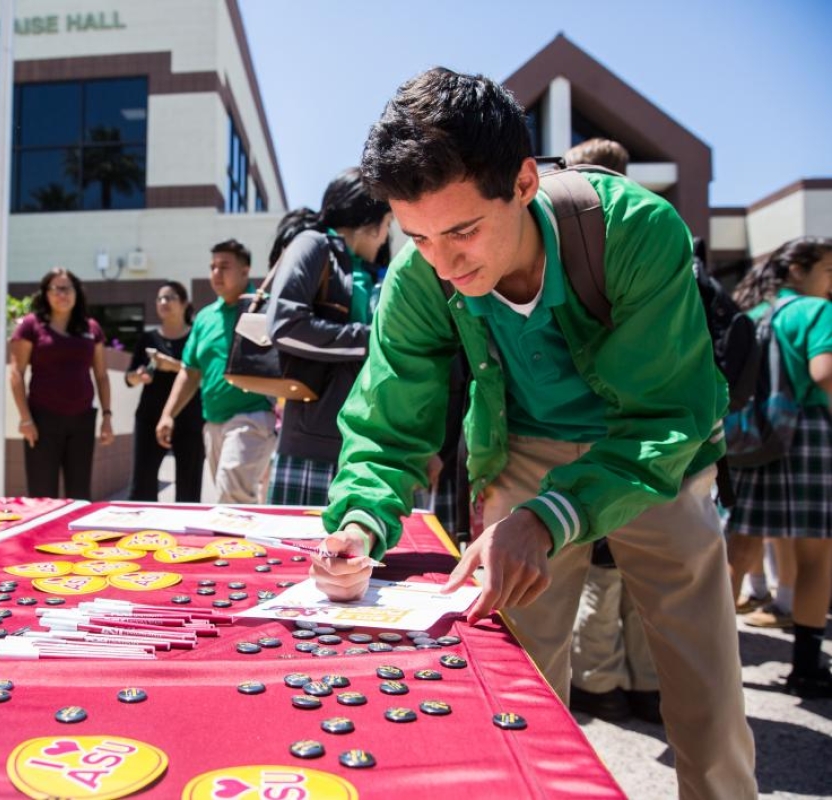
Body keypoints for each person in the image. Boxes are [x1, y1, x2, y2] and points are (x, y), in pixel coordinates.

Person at [312, 68, 756, 799]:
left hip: (652, 453)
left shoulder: (634, 230)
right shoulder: (422, 272)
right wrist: (360, 522)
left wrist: (551, 516)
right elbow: (388, 422)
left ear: (523, 182)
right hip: (520, 449)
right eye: (418, 236)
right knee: (514, 682)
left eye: (463, 231)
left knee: (704, 687)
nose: (444, 263)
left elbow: (663, 416)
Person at [558, 137, 662, 724]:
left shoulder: (578, 245)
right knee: (642, 580)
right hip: (655, 447)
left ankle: (599, 681)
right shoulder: (660, 238)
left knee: (599, 572)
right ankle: (647, 685)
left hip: (596, 441)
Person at [724, 236, 832, 698]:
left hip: (751, 437)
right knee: (815, 556)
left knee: (738, 549)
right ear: (798, 270)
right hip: (807, 436)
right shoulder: (816, 312)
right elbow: (824, 372)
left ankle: (716, 663)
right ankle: (807, 668)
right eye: (828, 270)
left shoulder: (752, 315)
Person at [263, 170, 391, 506]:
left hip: (371, 442)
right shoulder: (313, 244)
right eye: (388, 222)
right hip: (313, 444)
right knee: (302, 541)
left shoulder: (370, 269)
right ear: (369, 221)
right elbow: (284, 324)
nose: (386, 237)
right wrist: (371, 339)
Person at [156, 240, 276, 504]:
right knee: (232, 500)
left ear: (245, 270)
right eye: (212, 267)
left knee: (231, 495)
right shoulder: (205, 317)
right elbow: (190, 371)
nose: (216, 273)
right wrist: (168, 415)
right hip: (212, 423)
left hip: (254, 416)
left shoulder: (267, 309)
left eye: (224, 266)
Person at [9, 268, 114, 499]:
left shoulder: (91, 328)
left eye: (67, 289)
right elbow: (16, 373)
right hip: (42, 421)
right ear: (45, 293)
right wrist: (25, 418)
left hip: (82, 420)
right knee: (42, 493)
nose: (62, 294)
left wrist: (107, 417)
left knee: (80, 493)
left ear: (77, 293)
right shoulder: (31, 325)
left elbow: (101, 376)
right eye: (56, 289)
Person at [125, 282, 204, 502]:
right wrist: (138, 375)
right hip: (149, 418)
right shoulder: (148, 339)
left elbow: (202, 374)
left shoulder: (195, 336)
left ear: (184, 303)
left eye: (169, 297)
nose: (163, 302)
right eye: (159, 298)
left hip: (189, 419)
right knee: (141, 486)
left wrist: (172, 365)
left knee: (189, 489)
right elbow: (129, 378)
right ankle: (144, 524)